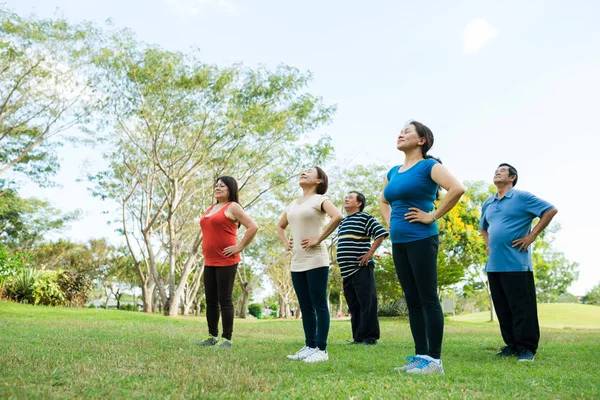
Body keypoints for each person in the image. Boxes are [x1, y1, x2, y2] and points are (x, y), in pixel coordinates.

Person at [380, 121, 464, 375]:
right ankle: (420, 356)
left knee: (427, 298)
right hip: (400, 242)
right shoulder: (393, 171)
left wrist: (433, 215)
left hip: (422, 238)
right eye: (400, 130)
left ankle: (435, 361)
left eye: (407, 131)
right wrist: (391, 223)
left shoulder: (430, 166)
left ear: (422, 140)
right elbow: (384, 200)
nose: (400, 133)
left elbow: (457, 189)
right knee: (412, 300)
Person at [480, 163, 557, 362]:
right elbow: (483, 227)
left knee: (522, 307)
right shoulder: (488, 202)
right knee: (503, 308)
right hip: (494, 265)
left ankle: (527, 348)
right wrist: (488, 245)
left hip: (516, 264)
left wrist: (531, 236)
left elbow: (550, 210)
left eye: (502, 170)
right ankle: (512, 346)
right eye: (496, 170)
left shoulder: (522, 197)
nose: (497, 172)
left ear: (512, 177)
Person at [276, 167, 343, 363]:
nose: (303, 173)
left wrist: (318, 238)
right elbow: (280, 225)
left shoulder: (321, 200)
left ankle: (321, 350)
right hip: (297, 260)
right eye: (302, 171)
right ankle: (310, 345)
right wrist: (285, 242)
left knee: (319, 304)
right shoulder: (293, 204)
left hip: (316, 258)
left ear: (319, 181)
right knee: (305, 306)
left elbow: (338, 216)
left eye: (309, 172)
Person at [196, 176, 259, 348]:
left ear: (230, 189)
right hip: (209, 260)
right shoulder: (211, 208)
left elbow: (253, 226)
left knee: (225, 299)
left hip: (226, 259)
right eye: (216, 185)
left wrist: (240, 246)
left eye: (222, 186)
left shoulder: (233, 206)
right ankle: (212, 335)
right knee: (210, 300)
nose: (217, 188)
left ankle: (227, 338)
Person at [337, 191, 388, 345]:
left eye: (350, 197)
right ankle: (358, 337)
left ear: (359, 203)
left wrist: (370, 253)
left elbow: (380, 233)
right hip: (346, 272)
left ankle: (370, 337)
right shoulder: (343, 222)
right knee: (354, 306)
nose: (346, 198)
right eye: (346, 197)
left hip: (361, 268)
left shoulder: (365, 217)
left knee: (367, 303)